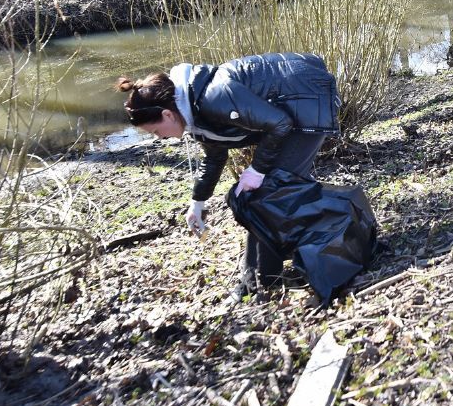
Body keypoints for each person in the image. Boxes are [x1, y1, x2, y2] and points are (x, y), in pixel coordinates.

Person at [116, 53, 340, 300]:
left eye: (156, 131)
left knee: (270, 193)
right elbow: (214, 157)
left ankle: (262, 280)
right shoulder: (193, 109)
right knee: (270, 194)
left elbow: (280, 123)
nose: (160, 137)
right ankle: (270, 274)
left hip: (308, 100)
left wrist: (257, 171)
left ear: (167, 115)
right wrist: (197, 203)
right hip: (294, 107)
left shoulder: (212, 97)